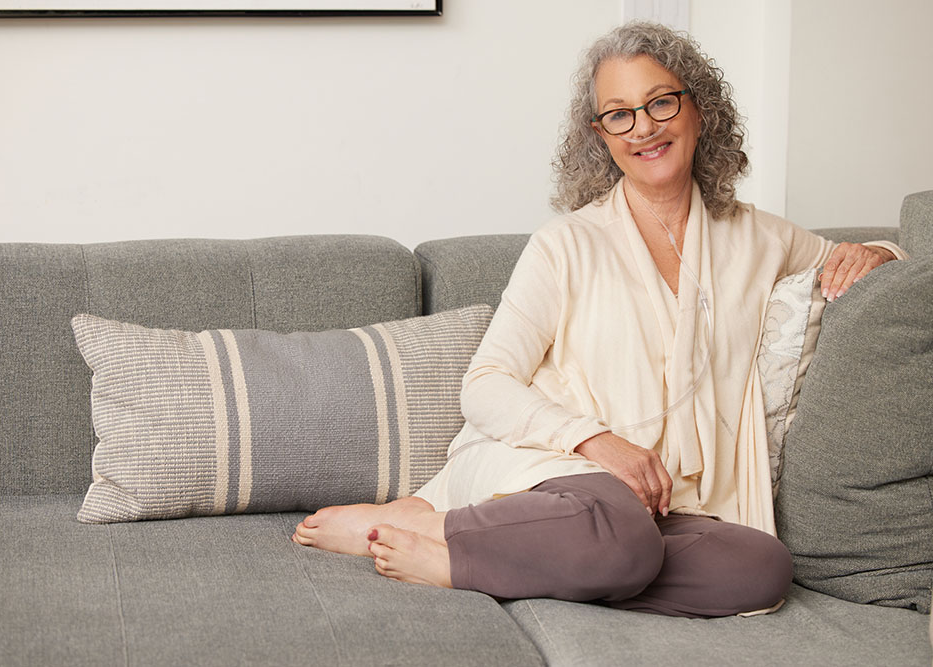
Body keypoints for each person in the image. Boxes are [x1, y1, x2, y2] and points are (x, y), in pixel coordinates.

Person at [292, 21, 905, 617]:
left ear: (700, 110)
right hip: (552, 474)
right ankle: (447, 544)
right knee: (619, 530)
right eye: (620, 114)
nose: (643, 128)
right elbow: (485, 385)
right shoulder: (566, 244)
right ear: (601, 135)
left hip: (675, 507)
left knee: (761, 568)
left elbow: (885, 266)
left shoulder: (762, 237)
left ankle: (559, 555)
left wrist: (875, 253)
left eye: (660, 103)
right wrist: (597, 442)